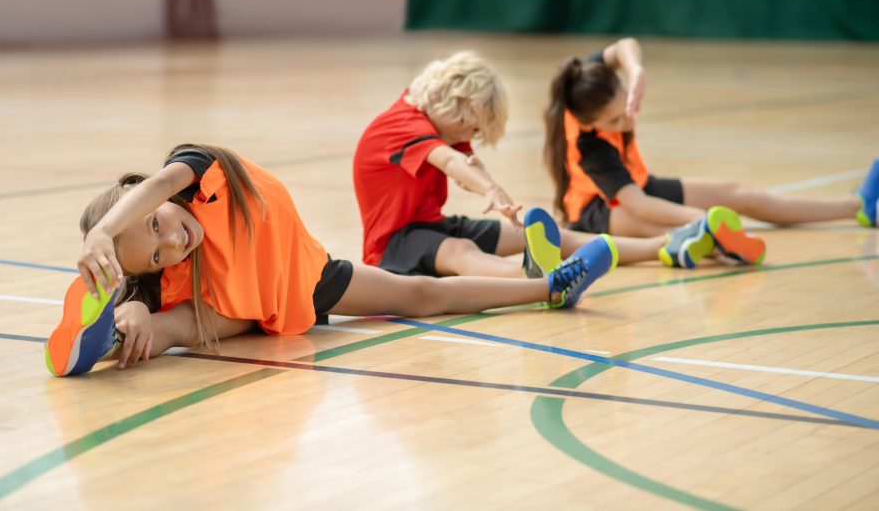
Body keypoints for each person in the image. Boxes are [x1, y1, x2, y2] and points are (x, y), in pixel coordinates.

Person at [44, 143, 618, 377]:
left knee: (423, 294)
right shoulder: (182, 272)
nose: (174, 243)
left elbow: (163, 182)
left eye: (156, 225)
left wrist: (105, 231)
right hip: (247, 309)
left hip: (307, 277)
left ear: (155, 196)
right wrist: (142, 312)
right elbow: (185, 307)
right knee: (169, 324)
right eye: (159, 254)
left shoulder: (197, 172)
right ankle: (110, 338)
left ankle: (550, 288)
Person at [353, 51, 719, 279]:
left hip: (431, 226)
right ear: (454, 103)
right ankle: (542, 280)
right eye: (472, 125)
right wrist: (490, 189)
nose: (471, 134)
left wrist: (503, 203)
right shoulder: (402, 123)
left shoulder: (440, 123)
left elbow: (467, 164)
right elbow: (449, 161)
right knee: (461, 252)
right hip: (392, 244)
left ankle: (667, 245)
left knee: (546, 233)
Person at [542, 37, 879, 265]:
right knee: (672, 228)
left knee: (737, 194)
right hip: (596, 213)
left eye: (625, 105)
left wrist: (635, 70)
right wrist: (699, 217)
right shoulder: (591, 147)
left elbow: (626, 46)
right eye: (615, 121)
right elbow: (638, 203)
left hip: (636, 185)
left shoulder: (587, 79)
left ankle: (856, 206)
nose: (628, 119)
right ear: (590, 123)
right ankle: (707, 241)